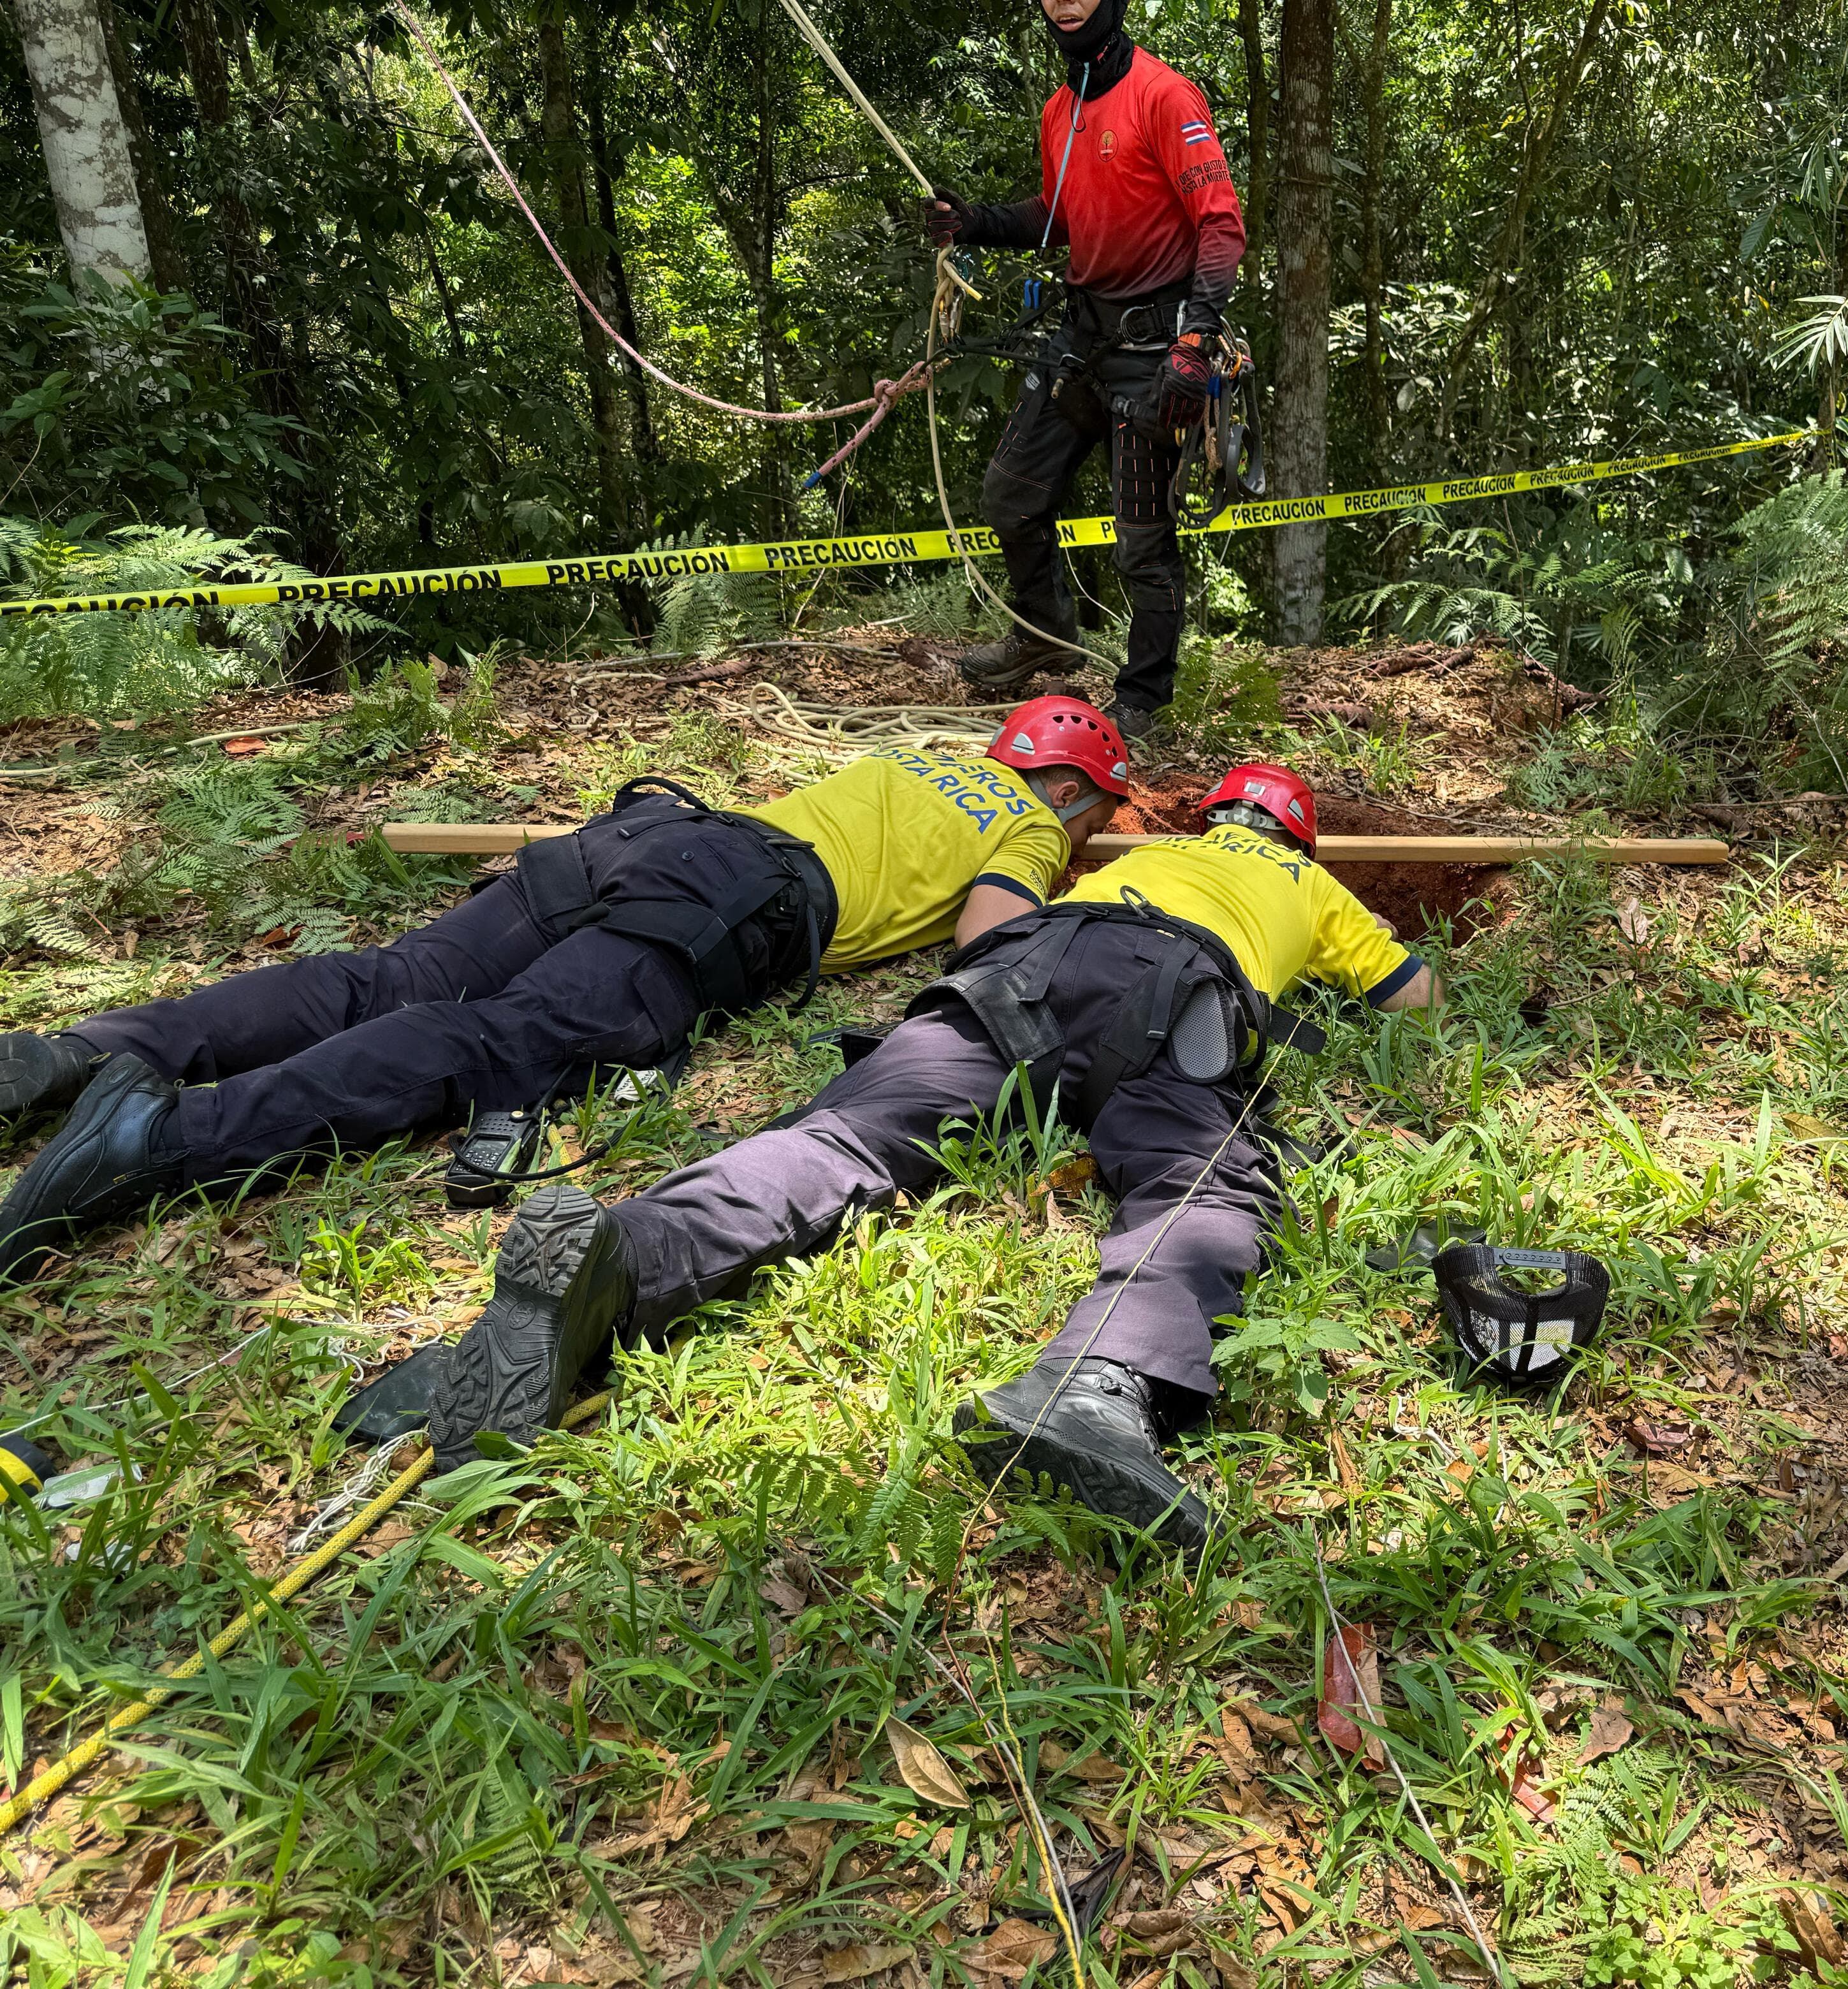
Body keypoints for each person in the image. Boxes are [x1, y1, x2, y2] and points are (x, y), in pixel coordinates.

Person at [421, 761, 1437, 1552]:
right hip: (1181, 1004)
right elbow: (1413, 1000)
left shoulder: (1136, 861)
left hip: (1031, 961)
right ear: (1297, 838)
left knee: (846, 1137)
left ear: (1215, 819)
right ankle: (1100, 1385)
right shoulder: (1312, 885)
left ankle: (628, 1255)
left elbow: (990, 919)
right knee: (1197, 1191)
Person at [0, 698, 1133, 1279]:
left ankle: (88, 1051)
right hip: (736, 901)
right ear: (1080, 795)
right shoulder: (1030, 823)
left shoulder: (913, 761)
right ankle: (158, 1141)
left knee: (392, 975)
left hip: (653, 836)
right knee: (503, 1040)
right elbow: (994, 929)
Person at [923, 0, 1247, 742]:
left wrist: (1194, 340)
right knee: (1012, 494)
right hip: (1080, 338)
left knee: (1141, 540)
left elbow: (1220, 222)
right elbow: (1059, 215)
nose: (1065, 4)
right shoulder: (1059, 111)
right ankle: (1041, 630)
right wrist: (975, 222)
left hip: (1153, 350)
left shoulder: (1164, 96)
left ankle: (1141, 701)